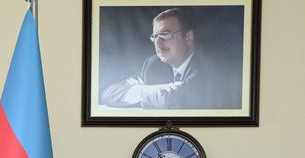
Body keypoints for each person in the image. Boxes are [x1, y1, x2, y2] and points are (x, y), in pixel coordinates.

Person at [100, 7, 239, 110]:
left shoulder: (211, 63)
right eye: (155, 37)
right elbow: (109, 94)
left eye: (165, 34)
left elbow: (178, 100)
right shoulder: (153, 64)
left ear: (188, 37)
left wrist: (144, 92)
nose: (158, 43)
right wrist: (147, 91)